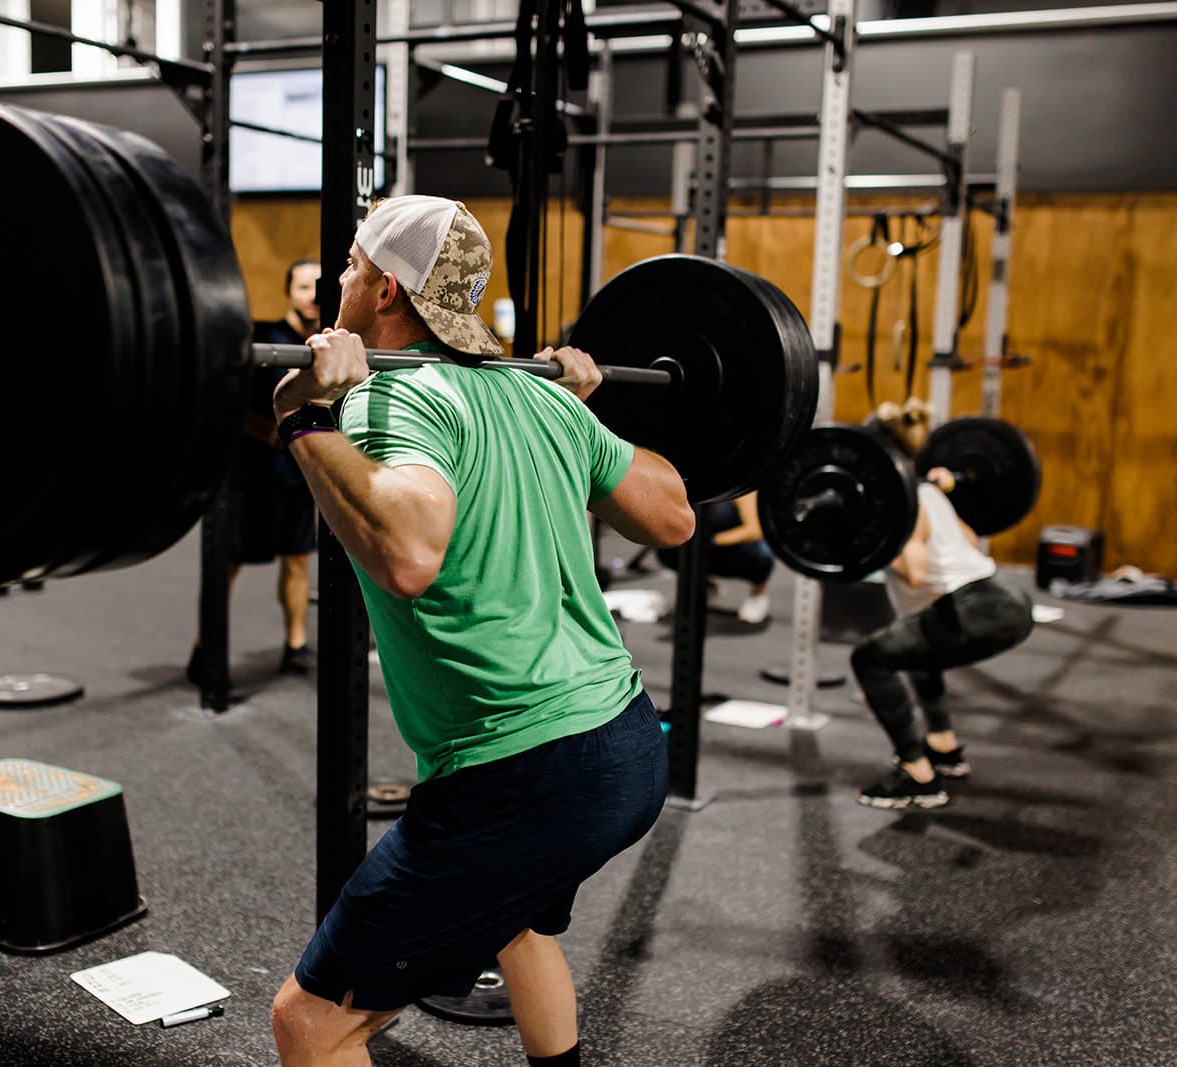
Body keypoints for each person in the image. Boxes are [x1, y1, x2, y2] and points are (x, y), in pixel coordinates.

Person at [266, 195, 695, 1067]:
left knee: (310, 1020)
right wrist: (590, 414)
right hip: (624, 741)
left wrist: (301, 415)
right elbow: (675, 516)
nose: (339, 280)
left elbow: (410, 551)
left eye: (349, 264)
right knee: (517, 923)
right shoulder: (537, 399)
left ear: (386, 289)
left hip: (523, 772)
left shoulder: (390, 398)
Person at [850, 399, 1035, 810]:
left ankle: (917, 774)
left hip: (977, 607)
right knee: (915, 647)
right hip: (1006, 596)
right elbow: (968, 540)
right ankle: (944, 748)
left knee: (870, 658)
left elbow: (915, 569)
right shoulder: (928, 492)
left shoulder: (902, 503)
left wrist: (872, 534)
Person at [186, 258, 321, 683]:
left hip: (296, 474)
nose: (312, 296)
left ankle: (295, 645)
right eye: (303, 287)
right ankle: (204, 649)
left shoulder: (325, 345)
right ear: (289, 292)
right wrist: (276, 436)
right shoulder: (263, 338)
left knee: (298, 560)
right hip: (250, 476)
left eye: (317, 287)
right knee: (225, 565)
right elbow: (233, 404)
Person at [653, 491, 776, 623]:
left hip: (730, 547)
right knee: (666, 549)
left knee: (760, 557)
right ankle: (705, 585)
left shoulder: (739, 486)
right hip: (699, 545)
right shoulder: (687, 482)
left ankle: (758, 595)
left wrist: (713, 542)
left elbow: (754, 530)